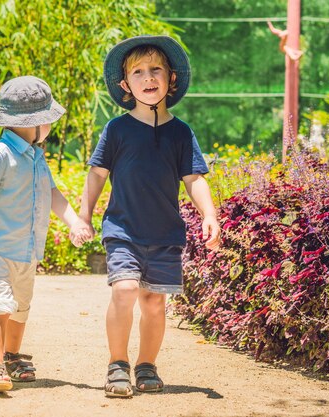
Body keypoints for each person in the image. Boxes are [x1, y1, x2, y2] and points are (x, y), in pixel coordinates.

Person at [77, 35, 221, 397]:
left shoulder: (181, 133)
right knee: (124, 290)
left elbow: (194, 178)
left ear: (170, 78)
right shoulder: (117, 129)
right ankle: (117, 365)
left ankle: (146, 365)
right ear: (126, 85)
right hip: (122, 229)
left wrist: (210, 214)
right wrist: (84, 215)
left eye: (155, 69)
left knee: (154, 302)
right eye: (138, 71)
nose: (148, 77)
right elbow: (97, 174)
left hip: (165, 234)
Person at [0, 75, 93, 393]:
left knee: (21, 307)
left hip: (27, 251)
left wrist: (74, 222)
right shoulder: (0, 154)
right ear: (34, 123)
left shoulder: (36, 156)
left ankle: (12, 356)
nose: (52, 126)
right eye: (50, 120)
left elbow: (52, 193)